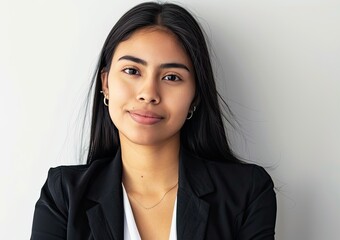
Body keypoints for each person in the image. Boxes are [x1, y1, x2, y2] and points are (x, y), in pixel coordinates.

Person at [30, 2, 276, 240]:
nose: (148, 93)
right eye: (132, 71)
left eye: (171, 77)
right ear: (105, 84)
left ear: (195, 96)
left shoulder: (247, 192)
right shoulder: (63, 194)